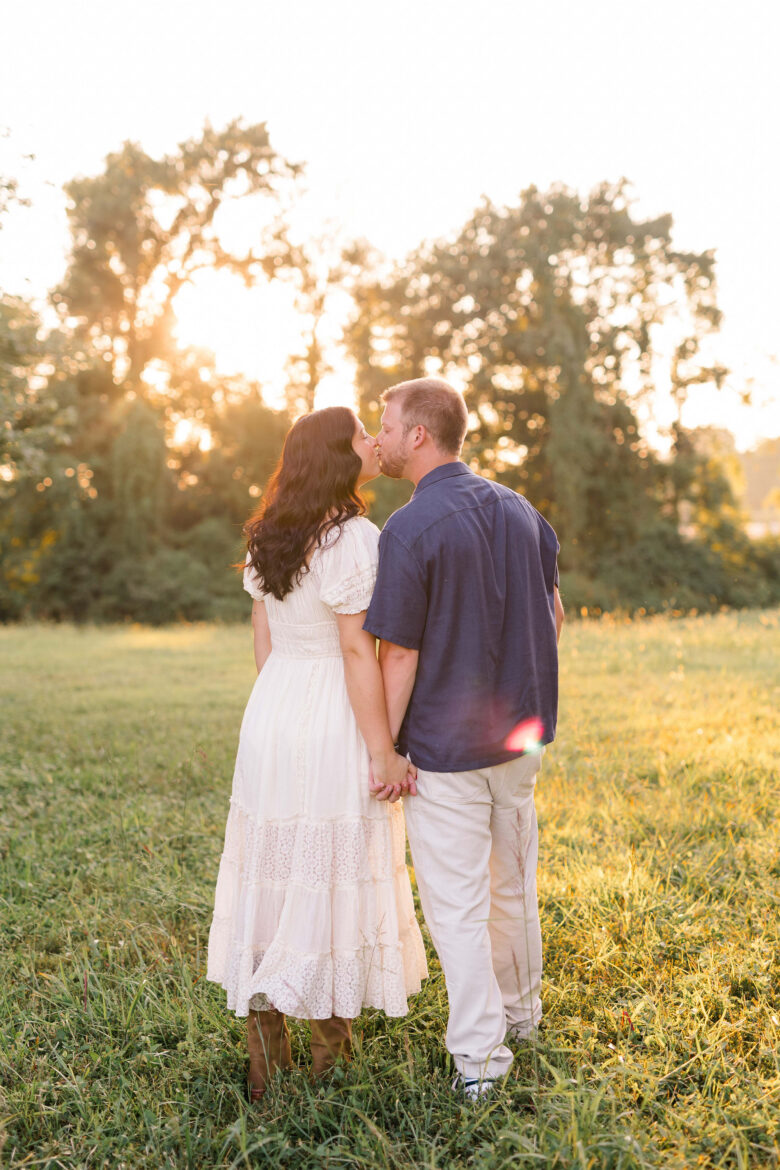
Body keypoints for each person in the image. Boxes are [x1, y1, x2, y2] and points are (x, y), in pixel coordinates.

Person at [206, 406, 427, 1102]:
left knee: (273, 869)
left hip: (273, 710)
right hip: (333, 708)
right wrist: (383, 750)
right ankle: (331, 1058)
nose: (373, 442)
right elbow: (359, 650)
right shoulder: (357, 539)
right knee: (330, 866)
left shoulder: (269, 533)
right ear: (337, 456)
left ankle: (264, 1061)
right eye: (363, 434)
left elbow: (263, 638)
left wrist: (282, 703)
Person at [364, 377, 564, 1100]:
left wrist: (382, 748)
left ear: (419, 434)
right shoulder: (523, 511)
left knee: (456, 907)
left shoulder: (408, 529)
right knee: (514, 887)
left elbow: (401, 654)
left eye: (385, 424)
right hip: (521, 741)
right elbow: (554, 612)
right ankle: (523, 1018)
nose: (378, 436)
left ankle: (481, 1064)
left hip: (447, 753)